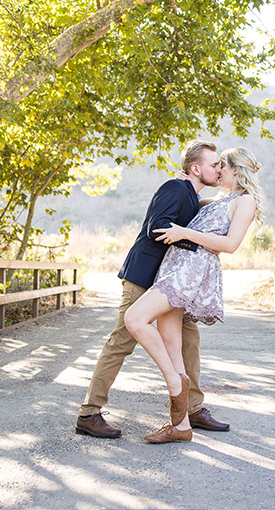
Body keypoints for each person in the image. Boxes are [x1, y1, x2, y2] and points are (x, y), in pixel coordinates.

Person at [75, 140, 232, 439]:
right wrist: (195, 243)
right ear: (195, 168)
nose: (219, 169)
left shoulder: (192, 197)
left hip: (171, 282)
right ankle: (89, 413)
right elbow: (157, 228)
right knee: (122, 340)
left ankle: (193, 409)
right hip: (144, 277)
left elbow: (201, 213)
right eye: (214, 165)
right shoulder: (174, 188)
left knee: (189, 340)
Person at [124, 147, 264, 443]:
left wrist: (184, 233)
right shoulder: (222, 199)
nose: (218, 170)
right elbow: (191, 198)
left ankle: (176, 385)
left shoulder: (246, 201)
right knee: (172, 345)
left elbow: (230, 244)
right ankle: (181, 426)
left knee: (134, 318)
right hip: (174, 266)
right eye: (215, 165)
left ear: (237, 171)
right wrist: (186, 179)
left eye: (222, 165)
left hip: (191, 271)